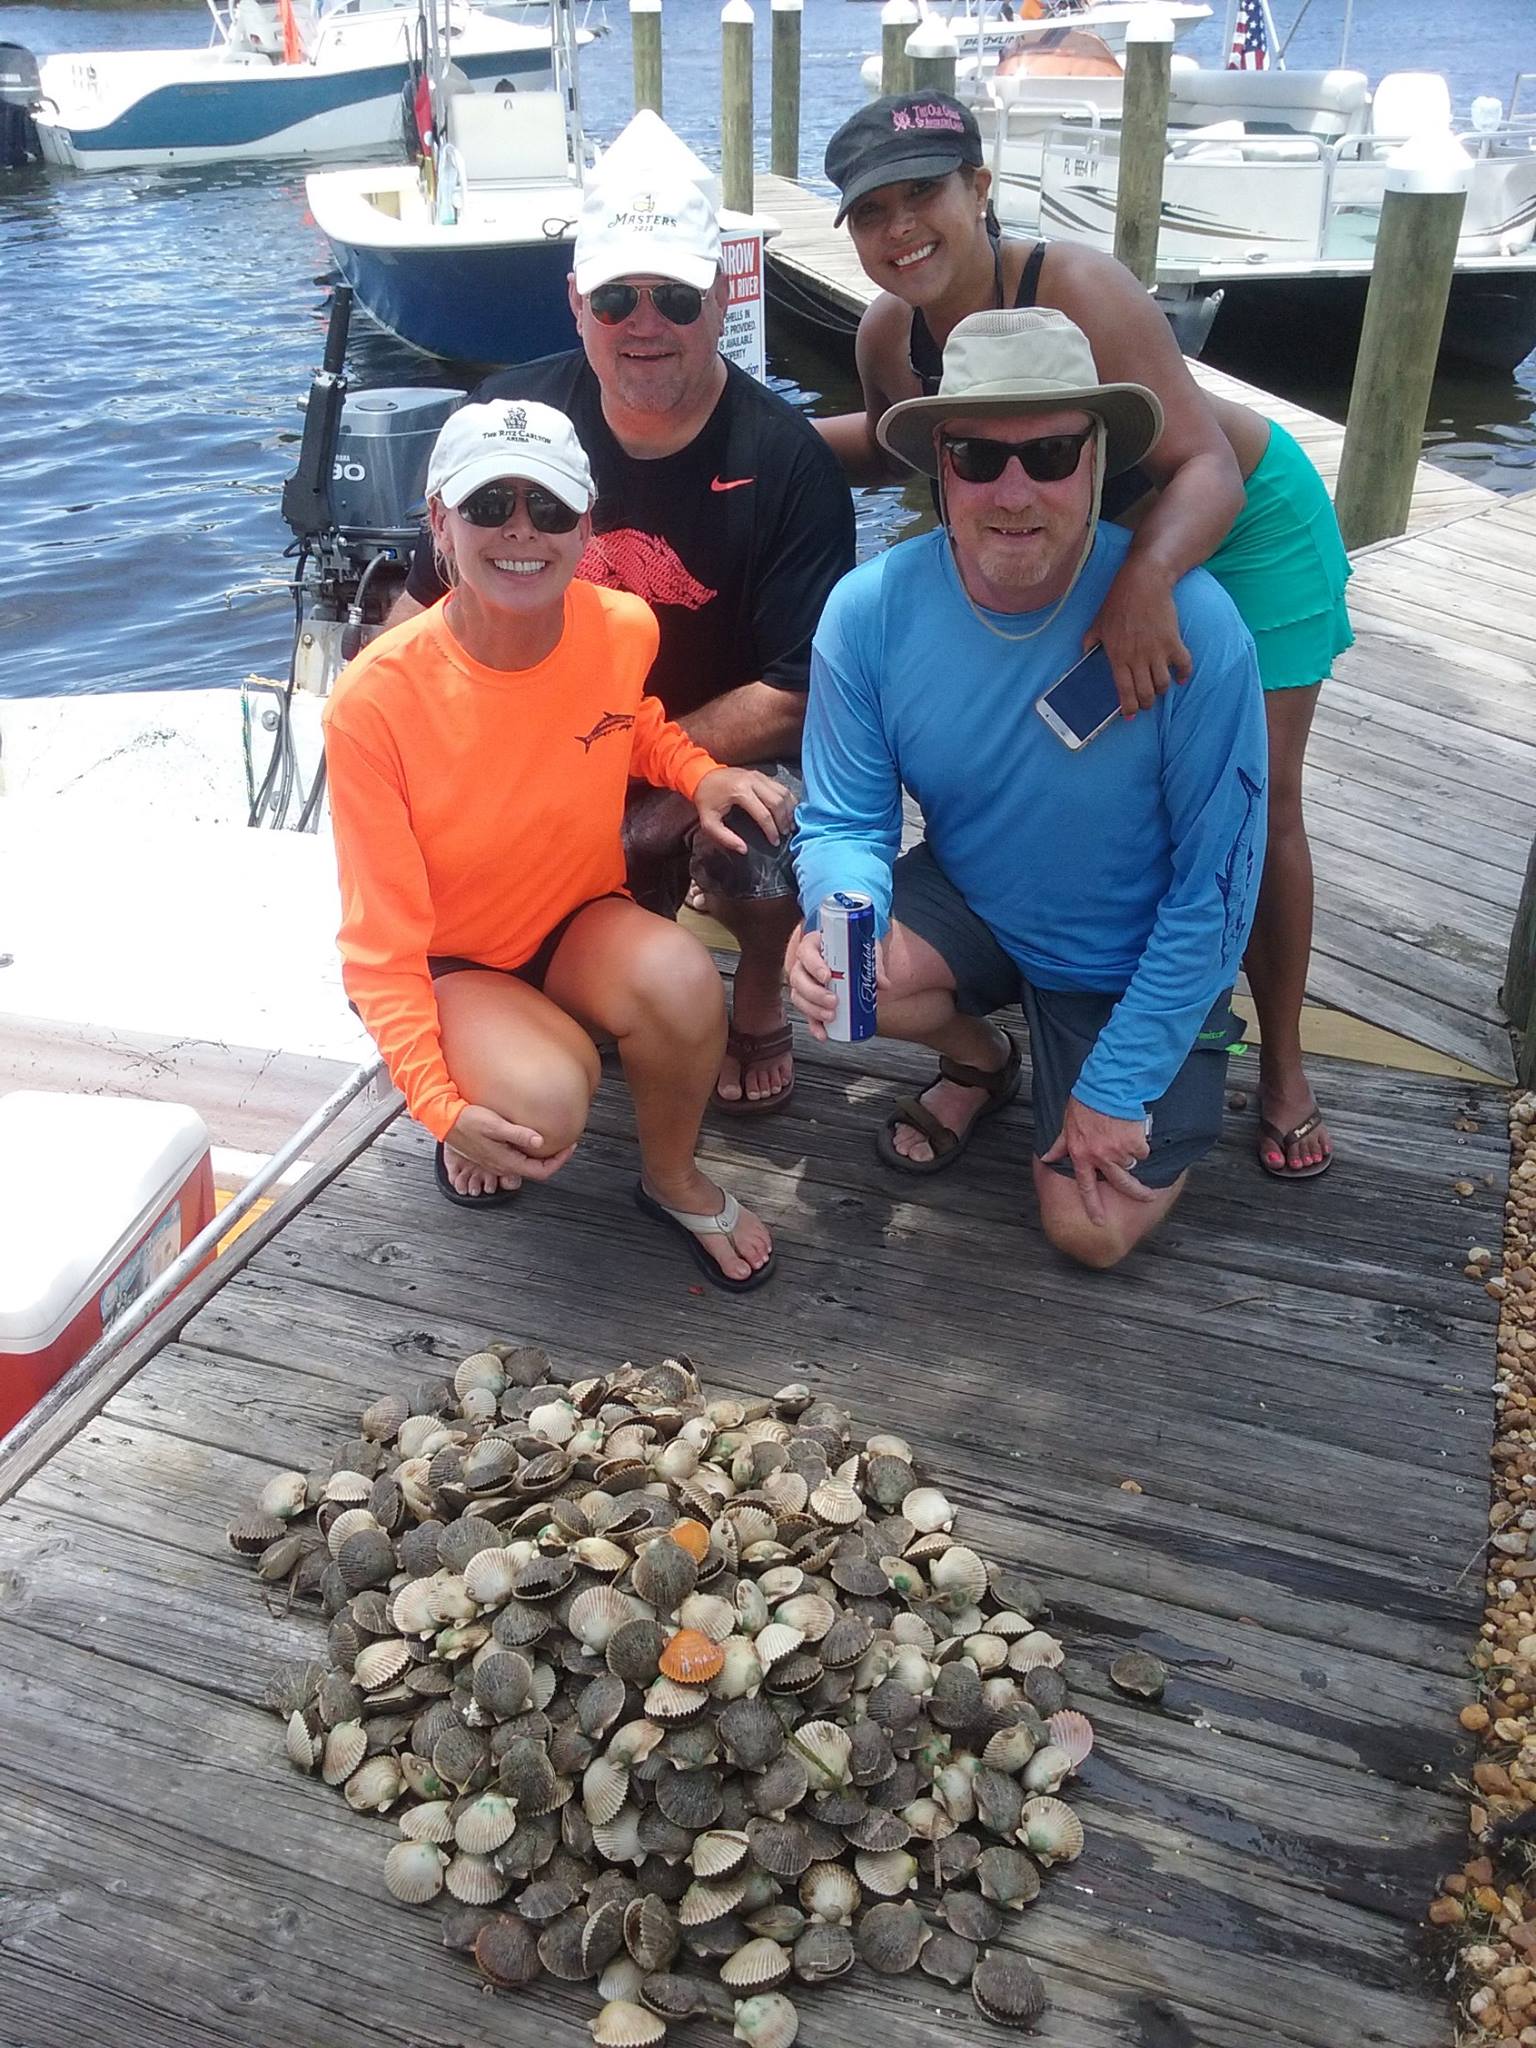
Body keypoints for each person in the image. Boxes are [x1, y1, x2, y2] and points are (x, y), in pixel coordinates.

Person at [816, 91, 1352, 1181]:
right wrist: (742, 439)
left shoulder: (1079, 288)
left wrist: (1145, 581)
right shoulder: (886, 329)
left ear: (982, 190)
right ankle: (1024, 986)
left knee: (1263, 800)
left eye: (925, 193)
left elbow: (1199, 463)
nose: (901, 227)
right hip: (1072, 504)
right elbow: (896, 450)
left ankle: (1283, 1062)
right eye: (873, 211)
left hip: (1231, 516)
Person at [788, 310, 1269, 1270]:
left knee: (1089, 1233)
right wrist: (840, 905)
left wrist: (1119, 1082)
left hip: (1126, 962)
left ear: (1096, 461)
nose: (1014, 492)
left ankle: (1147, 1055)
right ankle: (985, 1060)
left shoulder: (1199, 631)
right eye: (978, 454)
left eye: (1050, 455)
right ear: (939, 463)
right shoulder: (868, 611)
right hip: (979, 897)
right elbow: (845, 815)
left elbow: (1218, 890)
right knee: (847, 988)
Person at [386, 171, 856, 1118]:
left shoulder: (788, 461)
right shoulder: (512, 415)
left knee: (777, 827)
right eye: (616, 297)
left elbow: (796, 690)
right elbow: (421, 607)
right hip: (542, 749)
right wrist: (425, 763)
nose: (646, 322)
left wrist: (635, 777)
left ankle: (757, 994)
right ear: (576, 300)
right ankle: (491, 1010)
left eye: (676, 297)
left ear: (722, 294)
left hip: (698, 751)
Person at [325, 399, 793, 1292]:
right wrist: (437, 1104)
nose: (519, 532)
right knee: (547, 1101)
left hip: (576, 917)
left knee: (686, 977)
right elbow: (375, 948)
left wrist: (698, 774)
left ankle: (672, 1177)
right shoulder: (373, 704)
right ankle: (482, 1079)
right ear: (439, 522)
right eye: (488, 503)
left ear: (586, 528)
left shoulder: (622, 626)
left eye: (547, 508)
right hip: (451, 959)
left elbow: (630, 722)